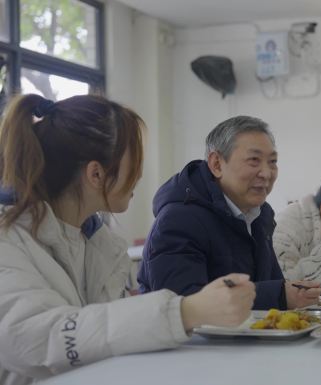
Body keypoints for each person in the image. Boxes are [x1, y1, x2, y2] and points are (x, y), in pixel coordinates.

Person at [0, 95, 256, 385]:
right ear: (96, 173)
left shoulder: (101, 243)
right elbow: (39, 340)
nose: (140, 173)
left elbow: (107, 343)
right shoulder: (9, 240)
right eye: (135, 160)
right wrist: (183, 312)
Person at [137, 115, 320, 310]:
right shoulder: (179, 220)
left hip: (245, 337)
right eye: (254, 161)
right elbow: (182, 306)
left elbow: (272, 283)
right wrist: (278, 296)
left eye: (272, 162)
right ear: (216, 164)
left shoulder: (260, 215)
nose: (267, 173)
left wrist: (292, 292)